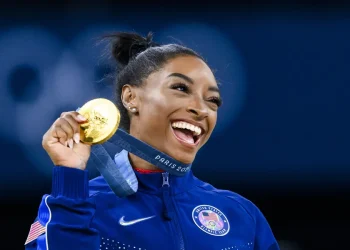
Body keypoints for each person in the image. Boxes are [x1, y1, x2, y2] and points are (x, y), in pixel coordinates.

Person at [24, 31, 280, 250]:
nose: (202, 110)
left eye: (212, 100)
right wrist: (69, 175)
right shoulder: (76, 203)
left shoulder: (243, 215)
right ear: (130, 97)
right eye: (181, 88)